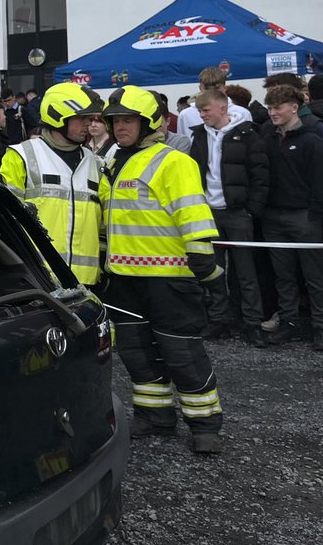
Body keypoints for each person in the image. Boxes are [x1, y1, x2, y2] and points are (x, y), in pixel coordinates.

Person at [99, 86, 224, 454]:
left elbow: (193, 214)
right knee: (136, 352)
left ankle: (205, 425)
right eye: (115, 120)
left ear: (148, 122)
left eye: (128, 120)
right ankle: (155, 416)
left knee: (181, 353)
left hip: (169, 278)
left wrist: (206, 266)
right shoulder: (113, 162)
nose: (120, 127)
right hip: (123, 278)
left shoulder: (173, 161)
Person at [0, 83, 105, 286]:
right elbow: (6, 221)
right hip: (38, 280)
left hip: (87, 284)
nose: (89, 124)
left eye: (91, 118)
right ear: (58, 116)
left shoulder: (96, 163)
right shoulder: (21, 156)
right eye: (82, 118)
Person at [187, 88, 269, 345]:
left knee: (246, 272)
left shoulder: (248, 135)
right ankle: (219, 320)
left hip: (237, 213)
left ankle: (251, 322)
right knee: (213, 271)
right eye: (200, 111)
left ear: (222, 108)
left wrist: (250, 210)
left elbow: (261, 175)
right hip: (208, 213)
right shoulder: (199, 136)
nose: (202, 115)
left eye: (206, 110)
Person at [261, 85, 323, 348]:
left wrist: (315, 214)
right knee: (283, 276)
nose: (272, 112)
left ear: (294, 107)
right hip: (273, 217)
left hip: (304, 217)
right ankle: (290, 323)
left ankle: (320, 327)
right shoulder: (268, 139)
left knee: (315, 277)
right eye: (270, 107)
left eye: (278, 107)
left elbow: (319, 181)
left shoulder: (312, 140)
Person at [177, 68, 252, 135]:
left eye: (217, 88)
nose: (211, 93)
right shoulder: (185, 115)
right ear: (200, 88)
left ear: (224, 87)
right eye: (207, 89)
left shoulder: (242, 113)